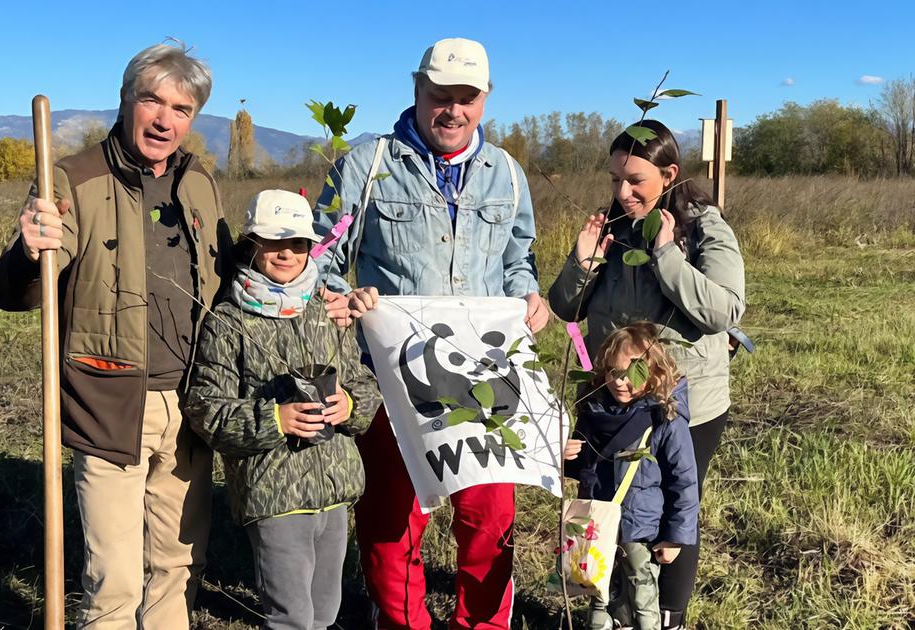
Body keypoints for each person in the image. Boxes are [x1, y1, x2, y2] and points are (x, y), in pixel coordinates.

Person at [0, 43, 232, 629]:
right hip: (109, 400)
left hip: (194, 402)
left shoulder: (198, 180)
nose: (165, 119)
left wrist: (294, 277)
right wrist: (30, 250)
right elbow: (12, 290)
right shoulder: (71, 178)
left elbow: (226, 275)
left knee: (178, 565)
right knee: (114, 579)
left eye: (182, 108)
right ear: (126, 101)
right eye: (152, 100)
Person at [313, 37, 549, 629]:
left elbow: (519, 256)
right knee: (392, 520)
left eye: (466, 98)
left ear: (485, 99)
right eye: (439, 96)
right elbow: (317, 252)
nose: (453, 110)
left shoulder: (507, 175)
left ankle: (484, 624)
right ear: (416, 90)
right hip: (391, 376)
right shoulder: (365, 168)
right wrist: (338, 296)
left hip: (485, 380)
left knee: (488, 518)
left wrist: (529, 293)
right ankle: (403, 624)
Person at [548, 120, 745, 629]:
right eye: (615, 178)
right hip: (608, 400)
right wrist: (582, 262)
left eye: (635, 179)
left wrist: (665, 254)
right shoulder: (610, 229)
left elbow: (724, 311)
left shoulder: (703, 227)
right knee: (606, 505)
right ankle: (610, 610)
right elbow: (567, 309)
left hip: (678, 405)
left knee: (670, 513)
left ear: (669, 174)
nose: (622, 191)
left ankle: (666, 617)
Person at [185, 189, 381, 630]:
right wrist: (275, 419)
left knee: (326, 611)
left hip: (335, 489)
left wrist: (350, 405)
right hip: (274, 492)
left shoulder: (327, 310)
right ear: (251, 244)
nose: (287, 253)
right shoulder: (228, 322)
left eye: (297, 243)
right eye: (273, 242)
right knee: (291, 616)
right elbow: (205, 408)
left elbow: (365, 387)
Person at [562, 323, 698, 630]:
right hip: (597, 523)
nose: (619, 382)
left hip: (641, 526)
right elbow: (583, 466)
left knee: (642, 590)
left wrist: (676, 537)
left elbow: (685, 481)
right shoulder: (593, 411)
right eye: (612, 371)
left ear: (654, 373)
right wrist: (565, 455)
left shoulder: (664, 418)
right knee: (597, 588)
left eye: (630, 373)